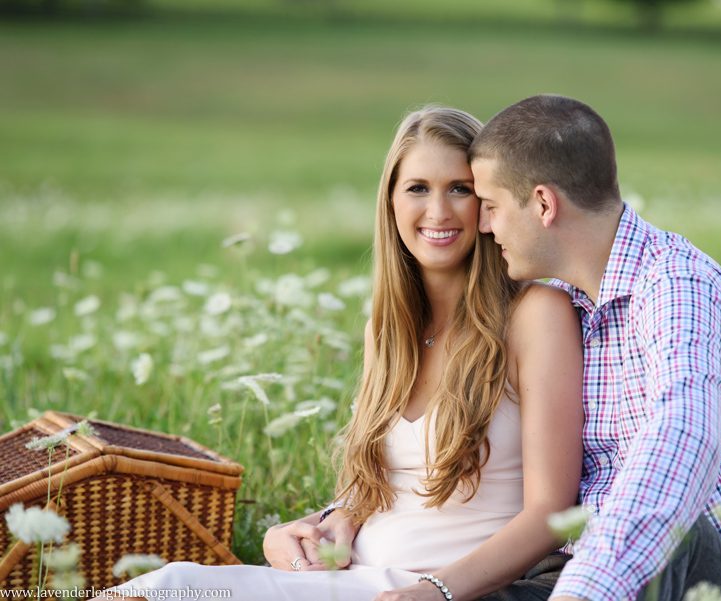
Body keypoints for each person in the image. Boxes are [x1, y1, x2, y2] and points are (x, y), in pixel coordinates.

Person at [103, 106, 584, 601]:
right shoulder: (388, 327)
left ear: (487, 203)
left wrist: (435, 591)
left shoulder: (534, 314)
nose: (438, 211)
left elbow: (550, 514)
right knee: (164, 588)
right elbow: (370, 493)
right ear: (391, 202)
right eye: (417, 188)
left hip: (438, 589)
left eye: (459, 189)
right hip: (350, 577)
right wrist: (303, 532)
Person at [467, 95, 721, 601]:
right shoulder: (561, 307)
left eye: (490, 207)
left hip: (711, 579)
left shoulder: (678, 289)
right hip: (579, 569)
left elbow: (678, 449)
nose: (484, 227)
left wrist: (580, 593)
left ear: (542, 204)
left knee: (678, 529)